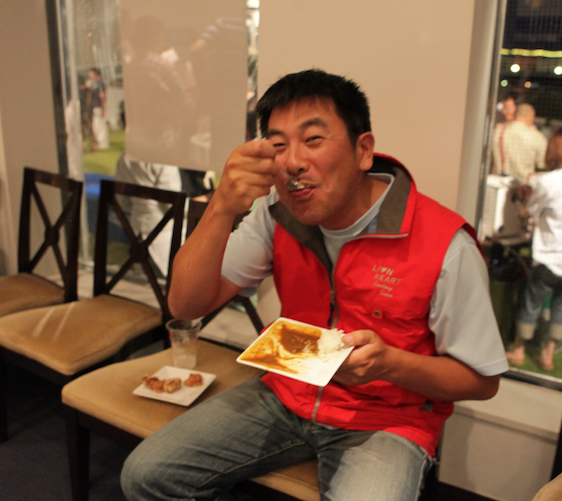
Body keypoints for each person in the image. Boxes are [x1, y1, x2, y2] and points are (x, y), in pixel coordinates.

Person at [121, 69, 508, 501]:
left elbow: (482, 380)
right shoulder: (277, 213)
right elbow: (185, 306)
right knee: (146, 474)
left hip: (385, 420)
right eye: (278, 145)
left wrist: (389, 364)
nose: (292, 162)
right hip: (287, 392)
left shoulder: (444, 244)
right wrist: (222, 206)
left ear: (363, 150)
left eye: (313, 140)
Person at [505, 129, 562, 371]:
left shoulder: (551, 181)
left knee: (532, 303)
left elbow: (530, 212)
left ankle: (518, 349)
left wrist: (524, 202)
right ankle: (548, 355)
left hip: (551, 257)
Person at [490, 102, 547, 183]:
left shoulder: (498, 132)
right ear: (531, 116)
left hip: (498, 183)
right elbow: (542, 165)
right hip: (524, 185)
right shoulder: (537, 137)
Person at [89, 68, 109, 151]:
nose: (90, 75)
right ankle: (99, 142)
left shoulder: (101, 83)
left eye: (91, 73)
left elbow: (103, 96)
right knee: (96, 126)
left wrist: (103, 108)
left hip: (99, 106)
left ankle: (103, 144)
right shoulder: (95, 83)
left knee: (100, 125)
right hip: (95, 106)